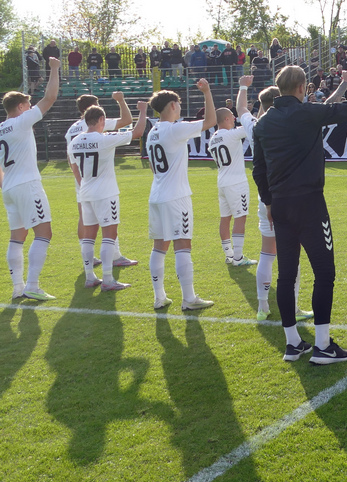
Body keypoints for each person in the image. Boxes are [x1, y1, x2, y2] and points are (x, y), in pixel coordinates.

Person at [252, 63, 347, 364]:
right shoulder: (304, 113)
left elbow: (258, 169)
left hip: (281, 206)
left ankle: (293, 344)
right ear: (302, 88)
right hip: (310, 204)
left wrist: (268, 201)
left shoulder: (263, 122)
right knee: (324, 273)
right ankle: (323, 345)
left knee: (287, 275)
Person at [145, 77, 218, 313]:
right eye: (178, 104)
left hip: (156, 195)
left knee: (159, 247)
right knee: (183, 245)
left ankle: (159, 297)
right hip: (176, 197)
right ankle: (189, 298)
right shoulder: (174, 129)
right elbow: (211, 121)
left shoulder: (152, 132)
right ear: (173, 106)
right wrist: (207, 92)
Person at [242, 85, 312, 323]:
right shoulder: (281, 124)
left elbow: (242, 109)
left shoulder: (255, 125)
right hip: (284, 194)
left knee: (266, 252)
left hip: (264, 197)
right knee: (292, 255)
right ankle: (293, 308)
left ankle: (263, 307)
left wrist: (243, 85)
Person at [69, 101, 148, 291]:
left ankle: (90, 277)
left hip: (85, 192)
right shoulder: (104, 139)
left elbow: (74, 168)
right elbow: (137, 133)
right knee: (109, 235)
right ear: (101, 119)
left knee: (88, 237)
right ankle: (108, 279)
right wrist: (143, 111)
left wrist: (85, 185)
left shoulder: (75, 140)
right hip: (105, 193)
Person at [2, 57, 61, 301]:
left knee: (17, 237)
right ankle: (32, 286)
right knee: (43, 233)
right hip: (27, 185)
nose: (30, 107)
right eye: (27, 104)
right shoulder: (21, 121)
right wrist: (55, 69)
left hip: (9, 189)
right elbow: (49, 99)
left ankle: (18, 288)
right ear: (20, 107)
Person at [207, 76, 258, 267]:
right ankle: (238, 257)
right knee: (240, 218)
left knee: (225, 219)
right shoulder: (231, 134)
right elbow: (250, 125)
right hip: (236, 182)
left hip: (222, 181)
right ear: (226, 119)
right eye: (232, 117)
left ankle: (229, 255)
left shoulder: (213, 139)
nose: (235, 119)